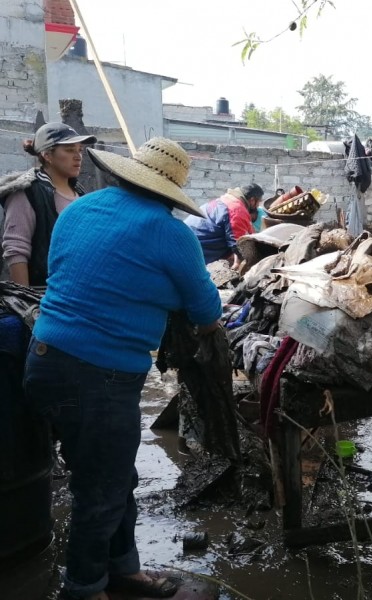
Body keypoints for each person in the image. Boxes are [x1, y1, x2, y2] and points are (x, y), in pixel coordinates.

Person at [23, 137, 222, 600]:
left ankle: (122, 569)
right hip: (99, 377)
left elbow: (74, 274)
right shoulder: (172, 234)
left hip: (44, 359)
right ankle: (85, 588)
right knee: (101, 489)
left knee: (113, 478)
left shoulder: (80, 208)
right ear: (170, 190)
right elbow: (207, 312)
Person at [0, 123, 96, 287]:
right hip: (43, 296)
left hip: (79, 294)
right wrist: (26, 302)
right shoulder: (28, 192)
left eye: (79, 150)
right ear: (47, 155)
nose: (78, 156)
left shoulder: (81, 195)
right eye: (69, 150)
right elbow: (16, 251)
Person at [184, 183, 264, 267]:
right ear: (252, 200)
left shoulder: (228, 199)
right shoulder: (237, 209)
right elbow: (239, 245)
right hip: (193, 248)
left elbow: (249, 232)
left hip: (189, 238)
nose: (258, 206)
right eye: (259, 202)